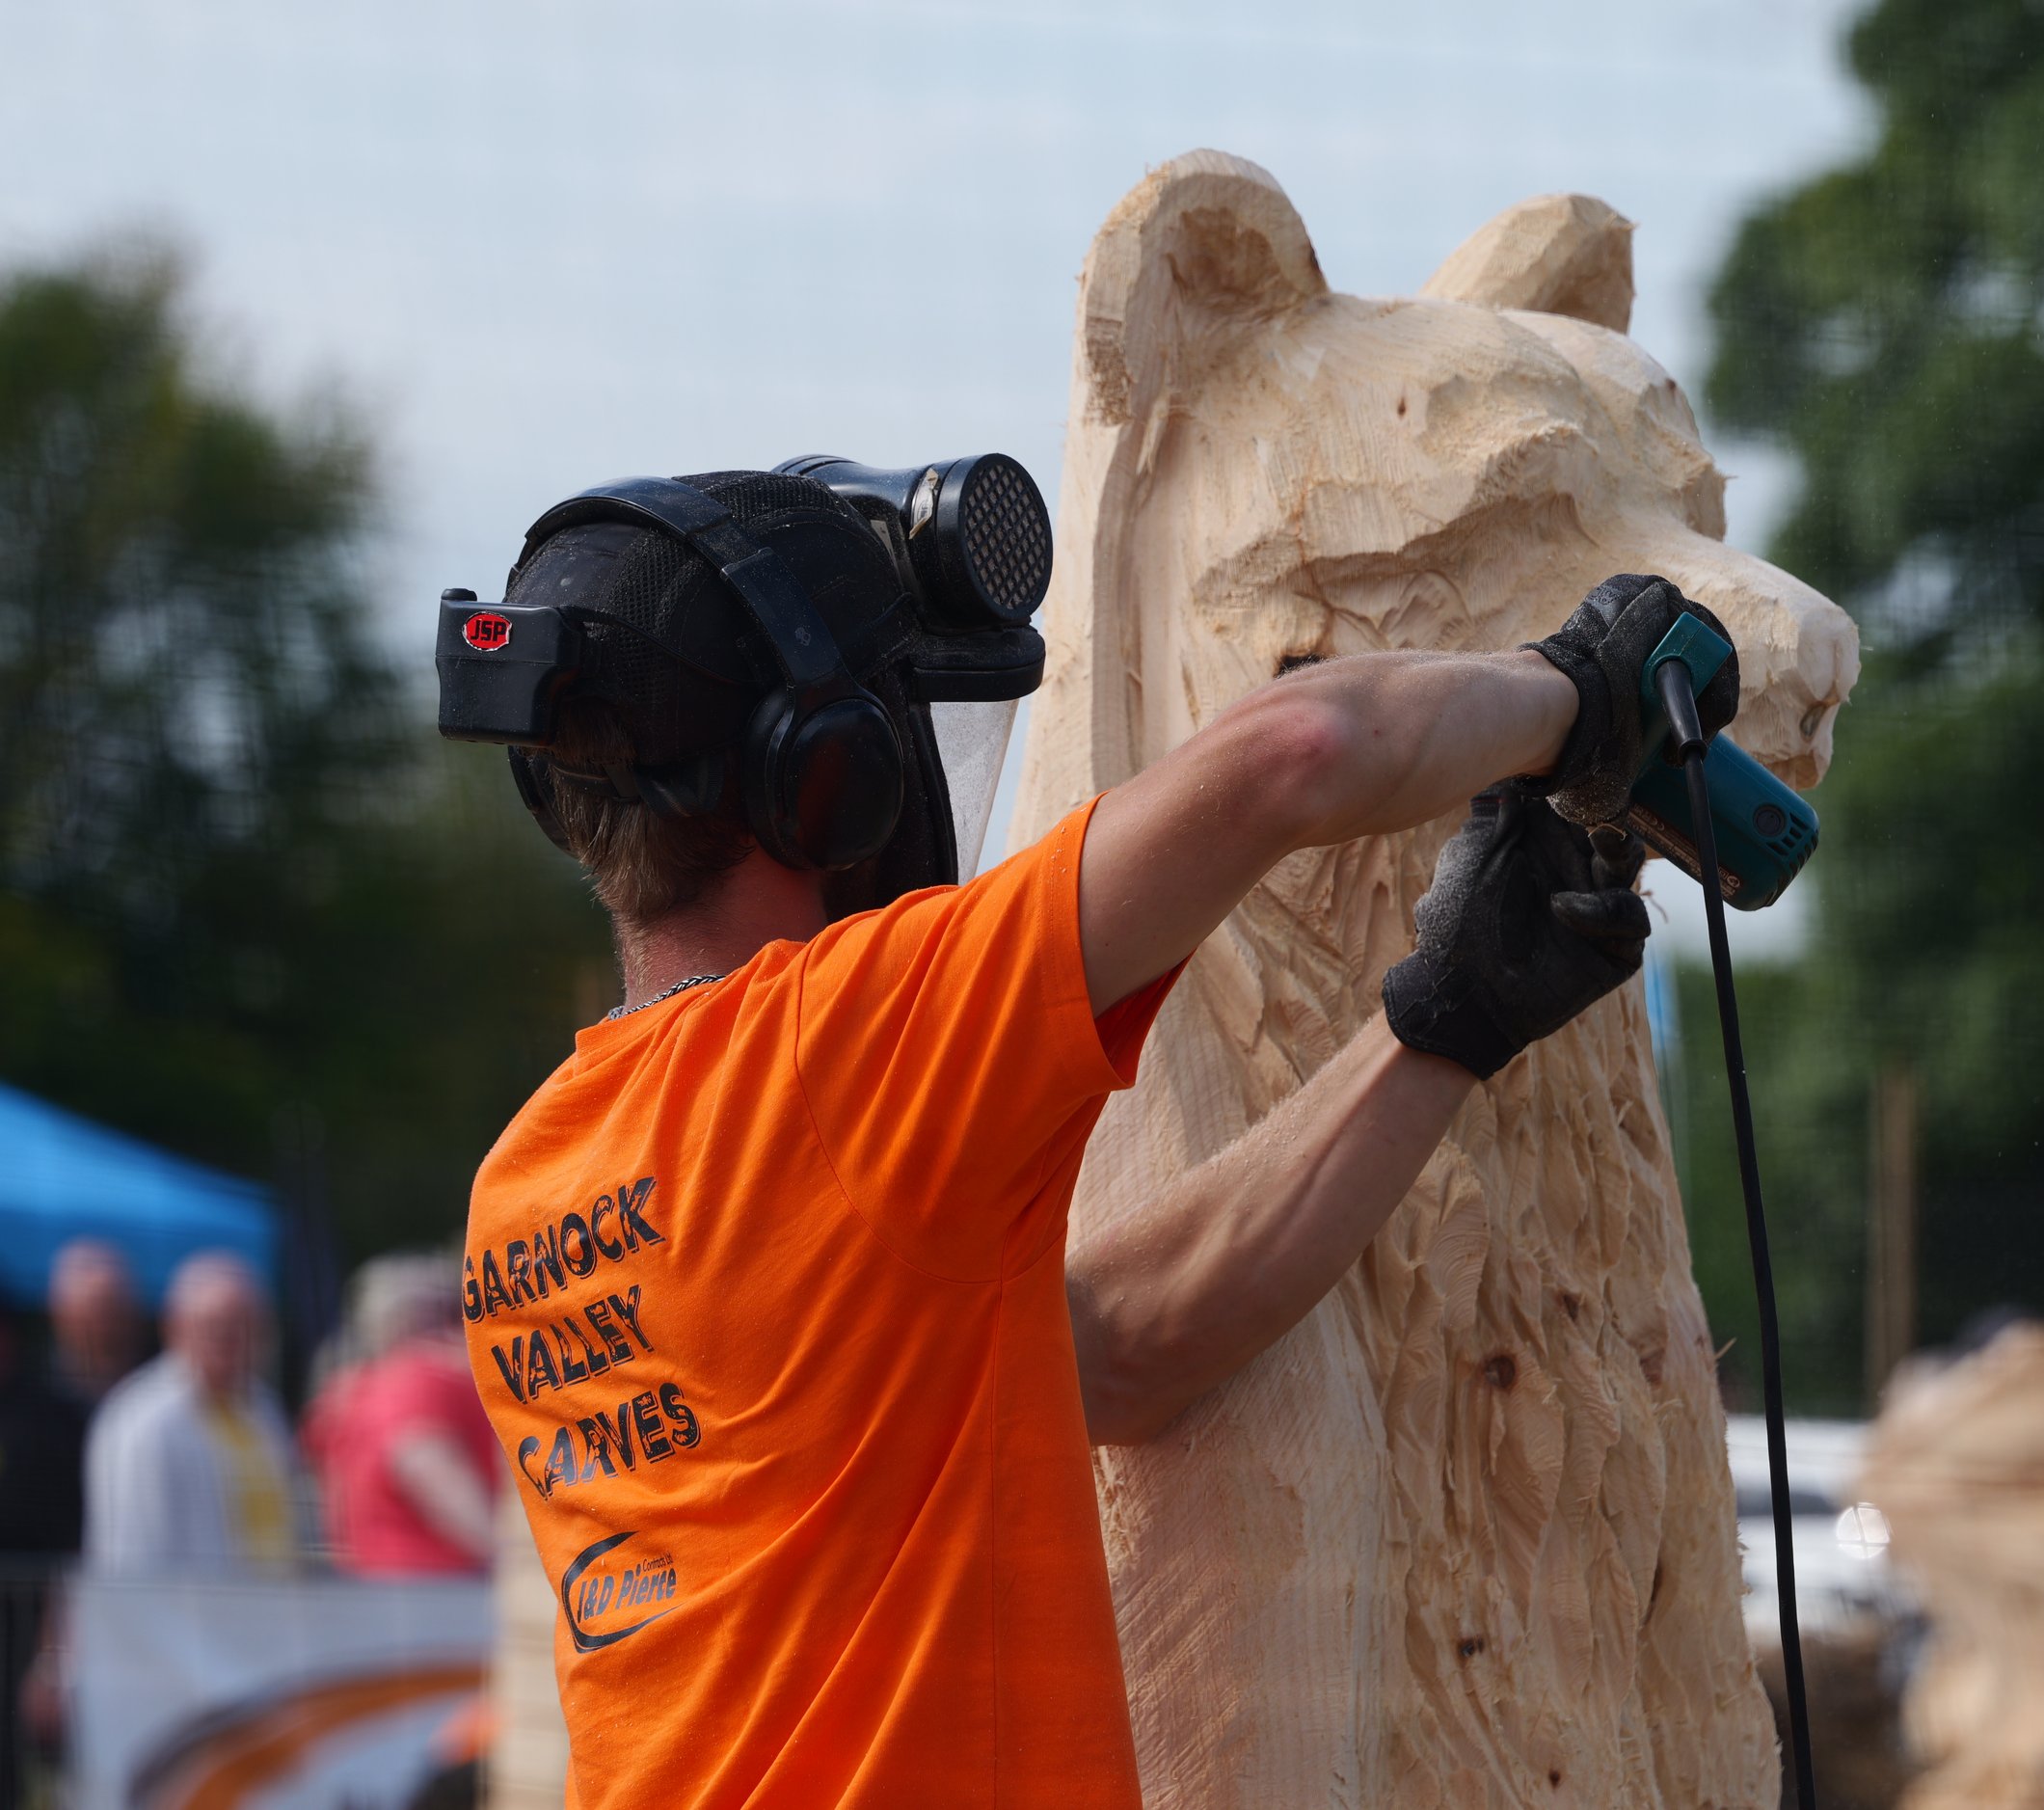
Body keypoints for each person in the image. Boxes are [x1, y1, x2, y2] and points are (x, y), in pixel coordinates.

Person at [456, 468, 1728, 1808]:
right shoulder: (837, 1044)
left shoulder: (527, 1187)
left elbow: (1116, 1356)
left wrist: (1439, 1027)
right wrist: (1581, 694)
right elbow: (1290, 757)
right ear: (825, 770)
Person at [84, 1251, 300, 1578]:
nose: (230, 1341)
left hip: (267, 1616)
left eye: (244, 1325)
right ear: (175, 1326)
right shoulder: (143, 1419)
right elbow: (133, 1548)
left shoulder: (263, 1409)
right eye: (215, 1326)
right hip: (188, 1618)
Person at [304, 1253, 498, 1575]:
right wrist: (510, 1557)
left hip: (377, 1583)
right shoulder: (417, 1378)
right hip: (440, 1589)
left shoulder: (349, 1392)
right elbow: (426, 1464)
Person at [46, 1238, 141, 1407]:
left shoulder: (153, 1388)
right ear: (59, 1313)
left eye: (114, 1306)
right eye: (94, 1307)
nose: (106, 1324)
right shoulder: (41, 1394)